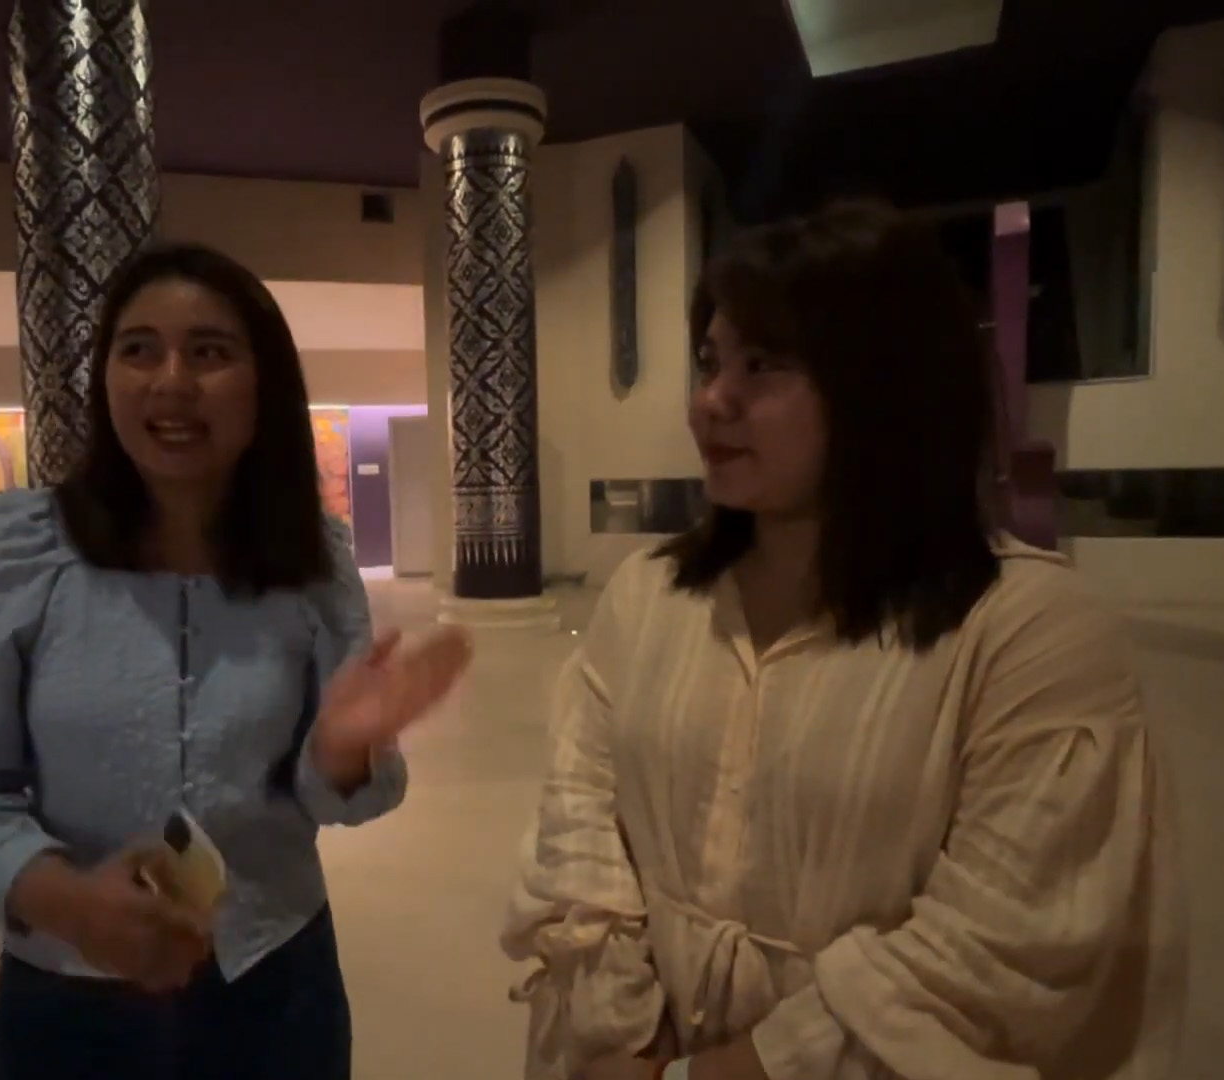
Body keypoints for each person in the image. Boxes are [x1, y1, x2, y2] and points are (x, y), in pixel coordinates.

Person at [502, 201, 1185, 1080]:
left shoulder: (1028, 630)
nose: (710, 401)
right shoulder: (646, 594)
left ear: (883, 387)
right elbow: (579, 817)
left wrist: (752, 1065)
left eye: (763, 365)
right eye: (710, 362)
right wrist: (615, 1030)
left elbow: (1009, 941)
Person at [0, 242, 473, 1080]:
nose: (171, 381)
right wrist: (68, 901)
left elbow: (330, 796)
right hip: (70, 1004)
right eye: (138, 349)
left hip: (277, 986)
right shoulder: (21, 551)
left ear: (265, 386)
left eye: (209, 352)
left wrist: (340, 750)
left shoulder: (311, 558)